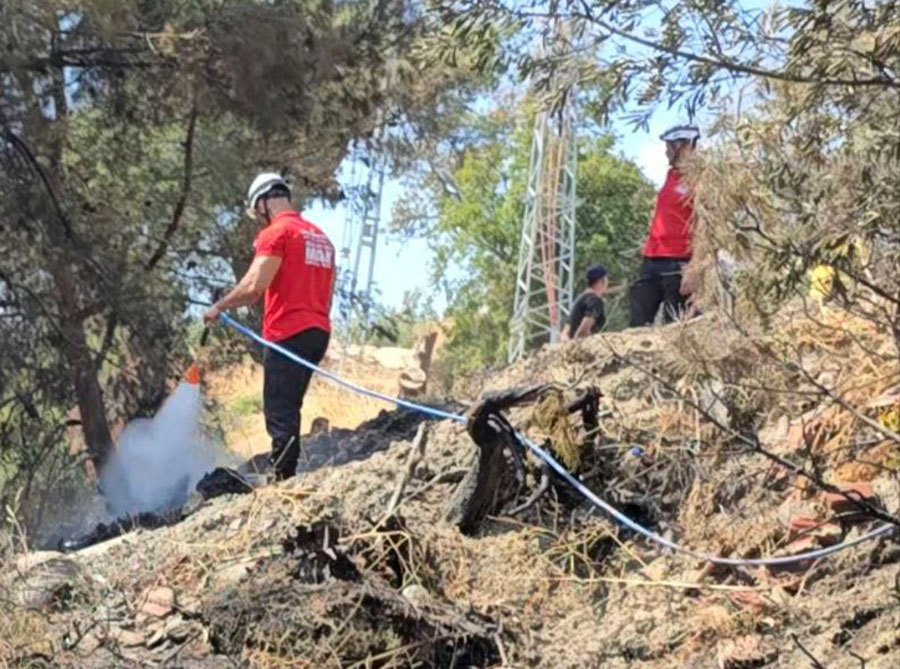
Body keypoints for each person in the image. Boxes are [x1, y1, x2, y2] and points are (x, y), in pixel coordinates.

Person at [204, 173, 336, 480]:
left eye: (257, 212)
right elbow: (328, 295)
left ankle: (281, 478)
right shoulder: (322, 238)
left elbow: (253, 285)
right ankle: (284, 471)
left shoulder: (277, 233)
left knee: (279, 410)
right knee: (291, 404)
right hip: (318, 332)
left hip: (287, 333)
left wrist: (219, 307)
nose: (259, 220)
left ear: (263, 202)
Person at [629, 124, 700, 327]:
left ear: (683, 146)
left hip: (679, 263)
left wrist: (694, 268)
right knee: (638, 322)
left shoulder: (700, 180)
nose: (665, 151)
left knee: (676, 326)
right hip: (651, 259)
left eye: (669, 146)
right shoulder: (670, 176)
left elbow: (705, 228)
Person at [563, 264, 608, 340]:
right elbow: (582, 333)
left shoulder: (580, 299)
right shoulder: (595, 301)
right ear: (601, 281)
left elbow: (564, 333)